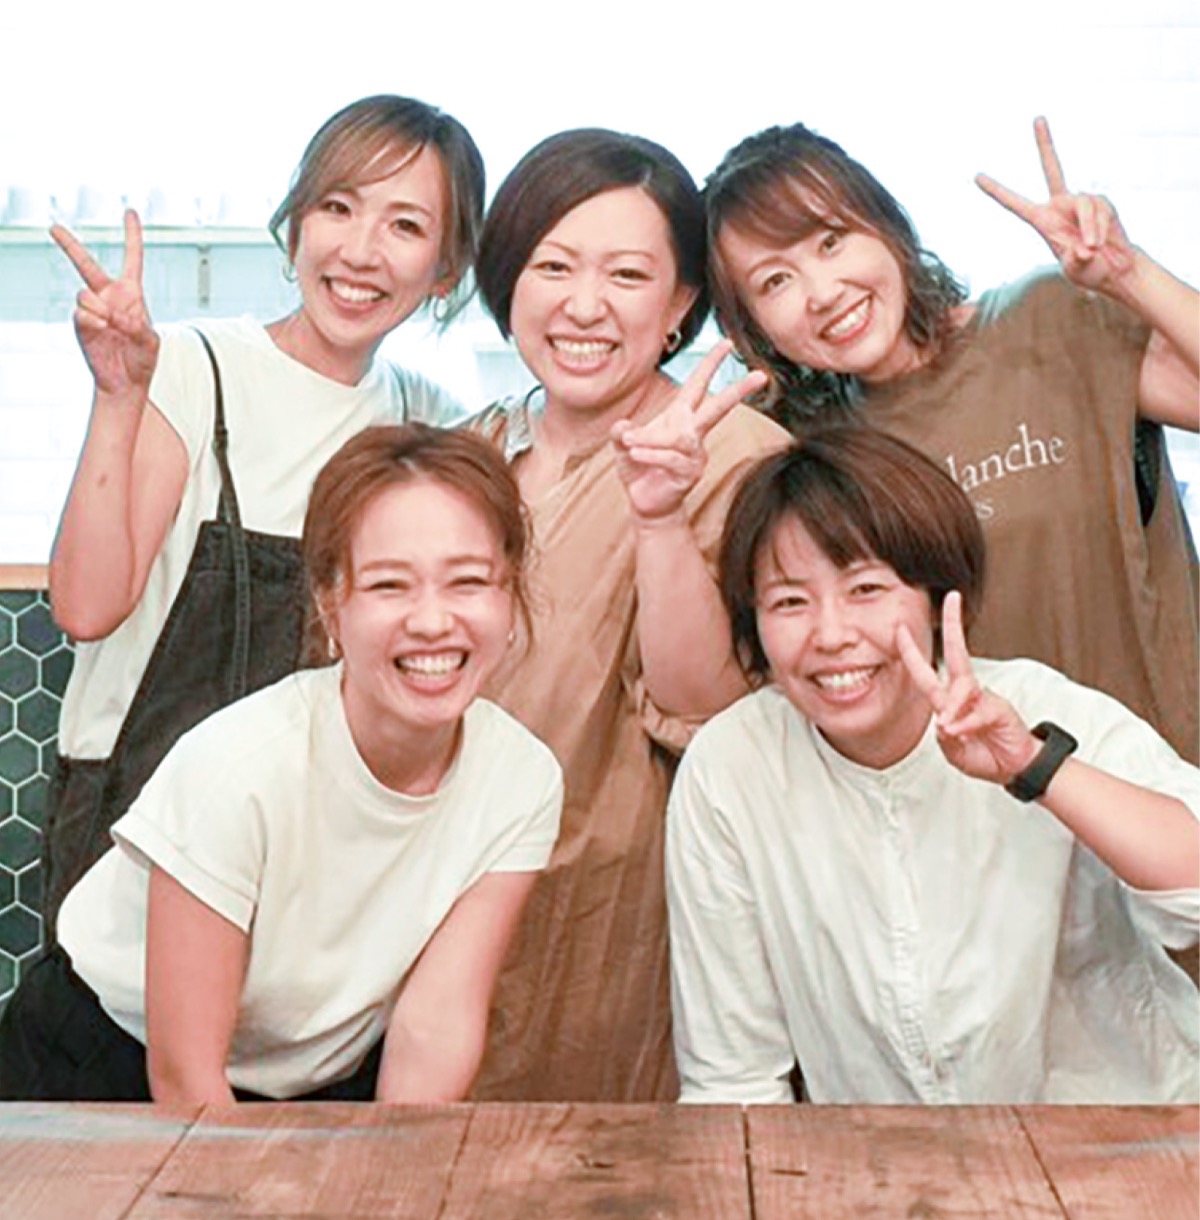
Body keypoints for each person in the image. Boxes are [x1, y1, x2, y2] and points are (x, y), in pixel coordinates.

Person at [0, 424, 563, 1104]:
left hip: (316, 1081)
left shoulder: (521, 780)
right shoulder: (238, 770)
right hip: (109, 1061)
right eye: (389, 585)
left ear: (510, 594)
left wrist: (401, 1165)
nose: (432, 621)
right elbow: (186, 1079)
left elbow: (432, 1028)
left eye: (468, 582)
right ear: (331, 603)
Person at [41, 95, 486, 931]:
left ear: (446, 269)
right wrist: (118, 398)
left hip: (317, 840)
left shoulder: (425, 422)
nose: (360, 250)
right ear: (295, 227)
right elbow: (85, 607)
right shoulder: (192, 367)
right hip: (136, 824)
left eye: (404, 225)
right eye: (338, 207)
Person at [667, 426, 1199, 1105]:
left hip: (1125, 1137)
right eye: (790, 602)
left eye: (865, 589)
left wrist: (1034, 767)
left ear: (941, 597)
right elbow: (732, 1079)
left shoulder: (1039, 706)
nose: (831, 635)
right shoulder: (732, 768)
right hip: (892, 1160)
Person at [704, 117, 1199, 763]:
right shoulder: (803, 455)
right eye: (775, 281)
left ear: (885, 226)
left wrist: (1130, 276)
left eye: (831, 242)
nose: (822, 293)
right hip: (974, 799)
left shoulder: (1052, 320)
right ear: (754, 327)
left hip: (1162, 781)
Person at [463, 128, 789, 1101]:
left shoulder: (740, 456)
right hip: (447, 894)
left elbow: (708, 705)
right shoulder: (468, 451)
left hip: (625, 907)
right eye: (553, 265)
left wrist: (658, 519)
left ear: (681, 300)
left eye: (628, 274)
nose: (584, 304)